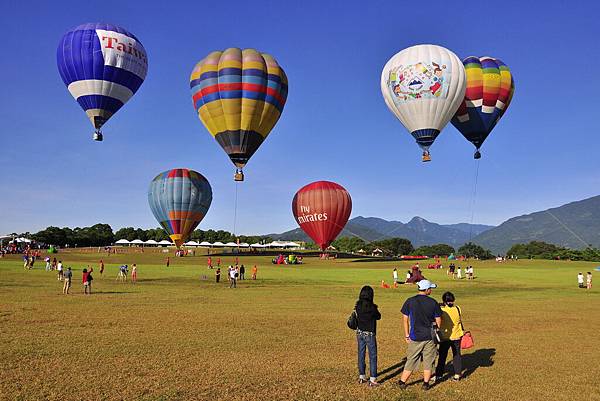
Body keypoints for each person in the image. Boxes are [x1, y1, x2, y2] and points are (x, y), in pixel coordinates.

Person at [398, 280, 442, 391]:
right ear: (426, 290)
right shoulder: (433, 302)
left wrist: (407, 335)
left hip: (415, 336)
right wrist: (436, 330)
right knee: (429, 360)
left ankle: (402, 381)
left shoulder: (410, 301)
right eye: (430, 288)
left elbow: (405, 319)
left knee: (411, 359)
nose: (431, 290)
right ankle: (426, 383)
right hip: (430, 337)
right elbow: (438, 320)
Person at [353, 286, 381, 387]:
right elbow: (379, 316)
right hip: (370, 334)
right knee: (372, 356)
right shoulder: (372, 307)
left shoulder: (358, 305)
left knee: (361, 354)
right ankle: (373, 379)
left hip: (359, 333)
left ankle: (362, 376)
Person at [435, 292, 464, 381]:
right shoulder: (458, 308)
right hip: (457, 336)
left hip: (446, 337)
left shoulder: (442, 310)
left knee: (442, 355)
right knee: (457, 355)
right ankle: (457, 374)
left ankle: (439, 374)